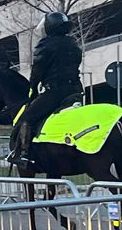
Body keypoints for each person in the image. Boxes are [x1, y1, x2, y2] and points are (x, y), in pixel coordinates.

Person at [10, 11, 84, 166]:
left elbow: (37, 71)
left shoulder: (45, 45)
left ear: (49, 27)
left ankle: (22, 154)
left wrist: (33, 89)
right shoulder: (73, 43)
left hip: (55, 92)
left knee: (27, 118)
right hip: (75, 91)